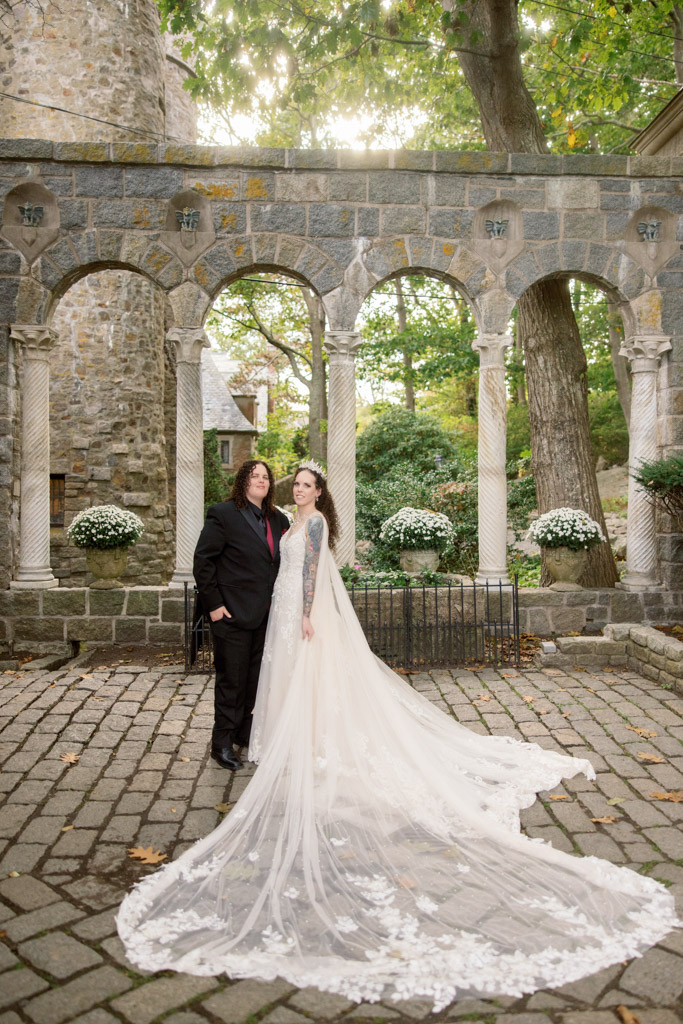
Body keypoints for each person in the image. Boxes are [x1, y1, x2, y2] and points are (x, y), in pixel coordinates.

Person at [118, 461, 680, 1011]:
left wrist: (308, 610)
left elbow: (311, 570)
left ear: (318, 492)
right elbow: (217, 562)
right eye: (286, 481)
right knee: (250, 678)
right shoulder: (271, 518)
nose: (292, 487)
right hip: (262, 610)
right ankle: (243, 738)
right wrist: (231, 602)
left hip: (296, 610)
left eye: (304, 483)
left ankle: (287, 735)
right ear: (253, 484)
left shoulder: (306, 524)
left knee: (287, 674)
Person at [192, 459, 290, 771]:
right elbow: (203, 561)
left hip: (266, 615)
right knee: (230, 680)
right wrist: (215, 606)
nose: (261, 480)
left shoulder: (278, 519)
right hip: (230, 612)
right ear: (243, 481)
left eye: (265, 476)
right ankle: (221, 743)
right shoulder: (222, 514)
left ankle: (245, 734)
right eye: (254, 475)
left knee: (255, 681)